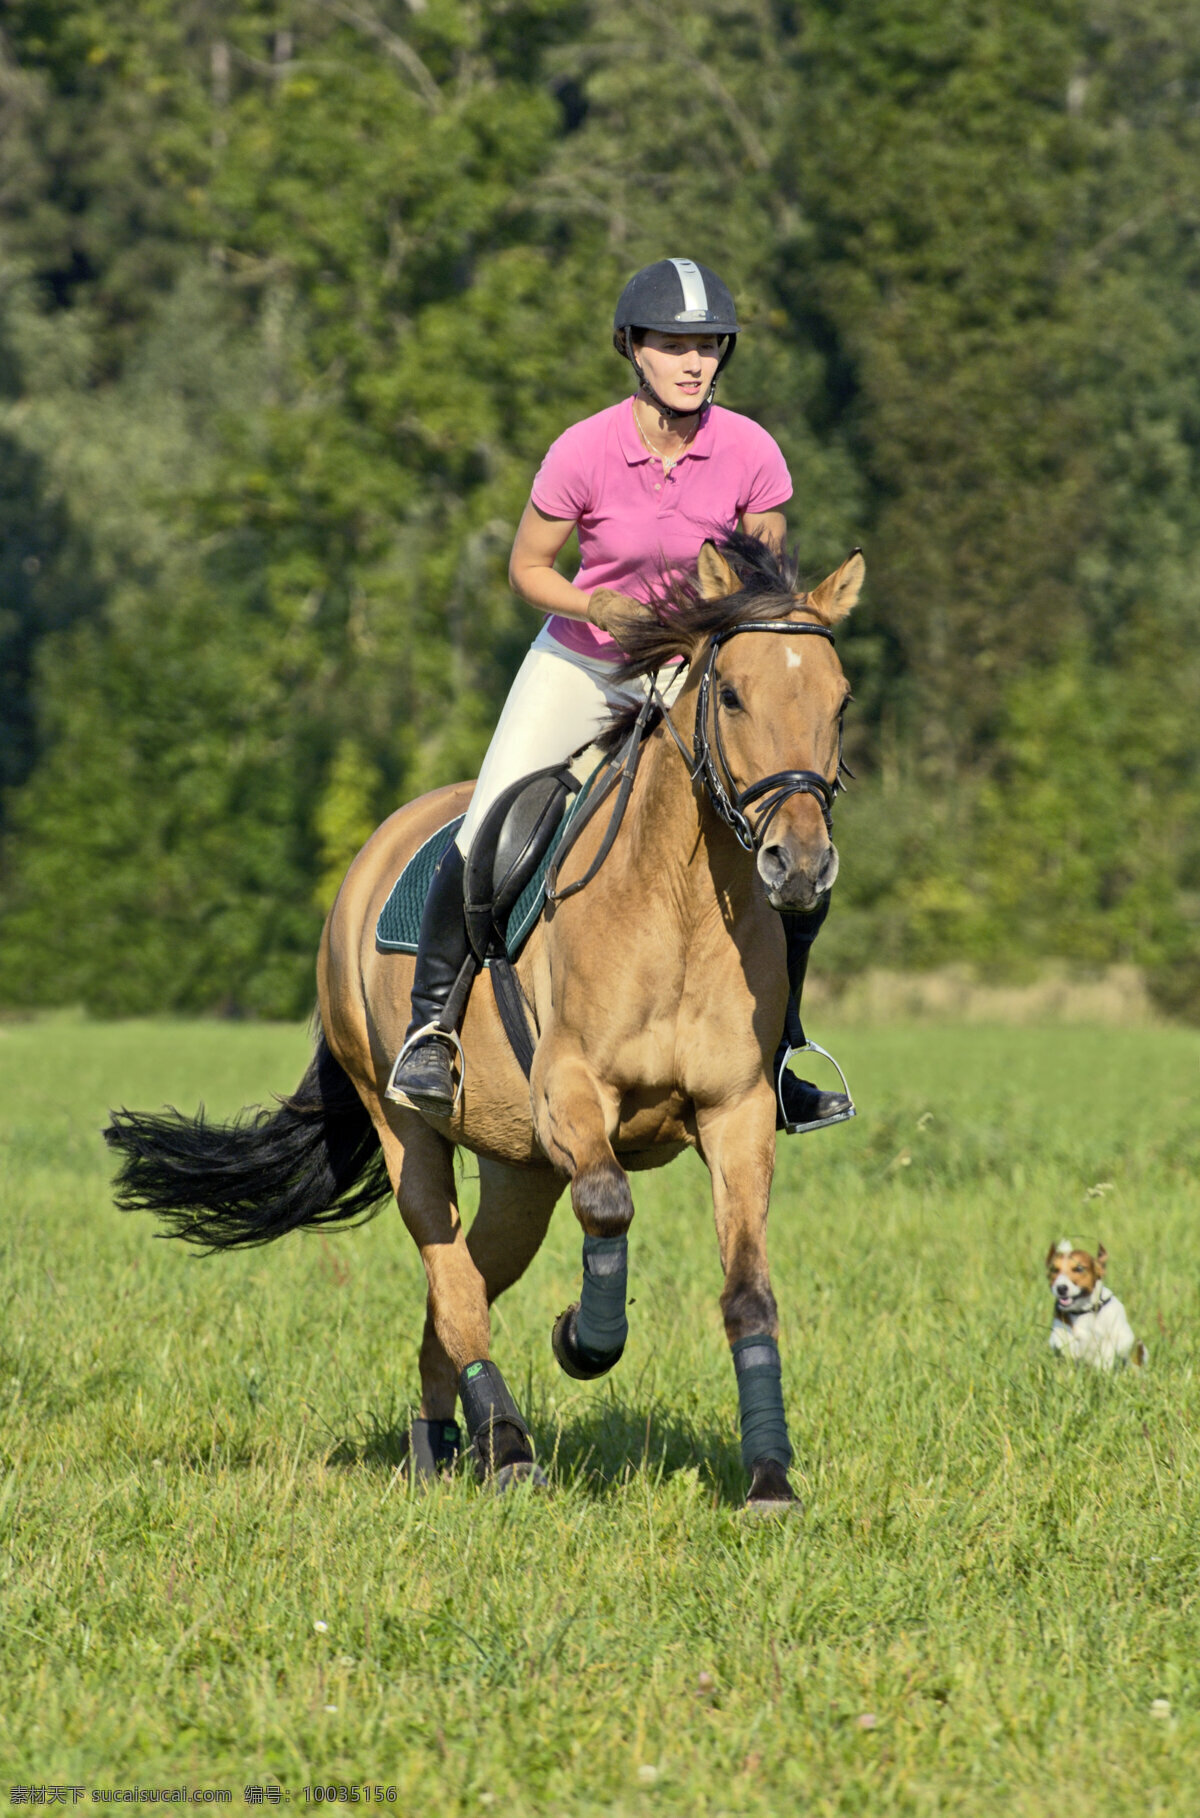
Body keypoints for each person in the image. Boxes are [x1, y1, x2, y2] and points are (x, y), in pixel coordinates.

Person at [389, 257, 851, 1134]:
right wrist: (594, 600)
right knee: (491, 815)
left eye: (708, 346)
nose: (693, 361)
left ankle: (782, 1051)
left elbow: (762, 586)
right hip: (584, 657)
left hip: (696, 672)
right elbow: (527, 567)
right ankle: (432, 1030)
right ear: (631, 349)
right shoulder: (584, 449)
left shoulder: (752, 451)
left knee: (788, 835)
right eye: (673, 344)